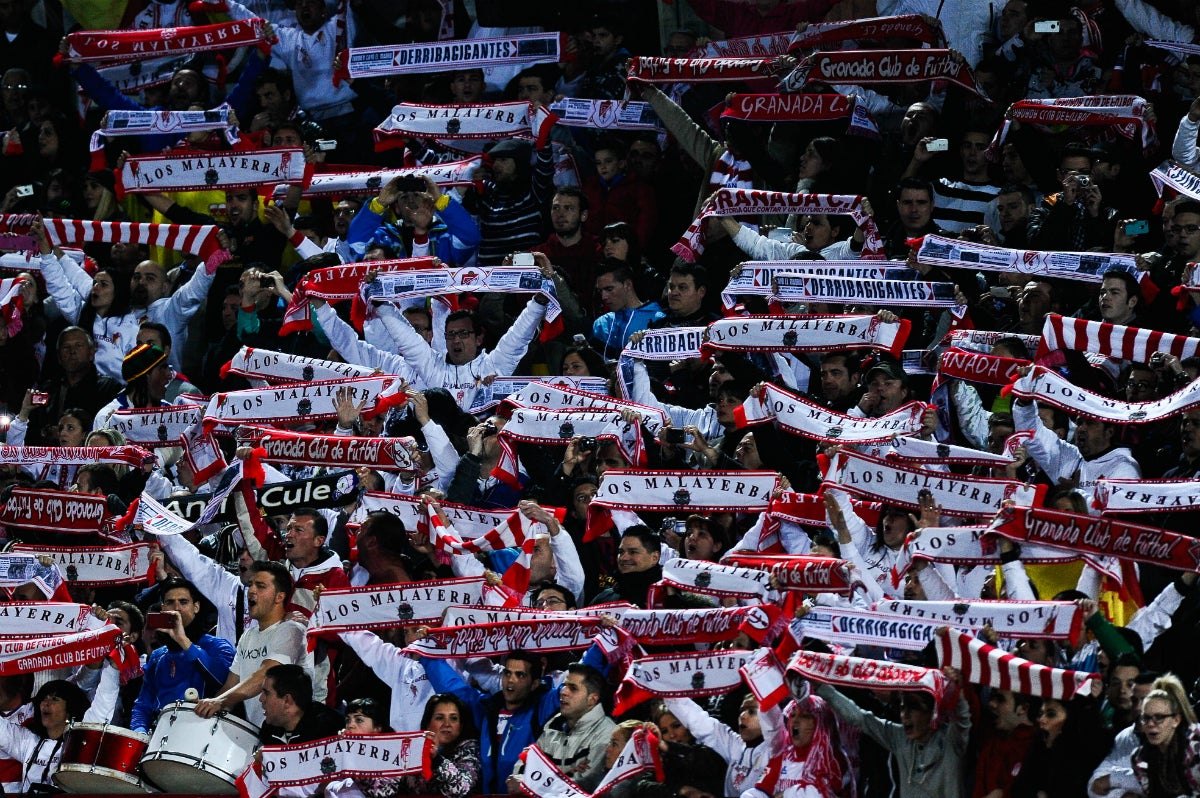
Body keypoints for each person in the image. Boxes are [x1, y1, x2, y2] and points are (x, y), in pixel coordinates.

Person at [194, 561, 310, 728]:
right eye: (251, 585)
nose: (251, 591)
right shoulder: (248, 636)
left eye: (261, 586)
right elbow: (230, 686)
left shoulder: (292, 630)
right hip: (258, 734)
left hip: (294, 737)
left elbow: (266, 674)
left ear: (280, 597)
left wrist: (219, 701)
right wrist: (205, 711)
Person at [129, 577, 236, 734]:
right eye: (170, 602)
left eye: (183, 602)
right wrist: (140, 733)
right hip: (161, 737)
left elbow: (222, 682)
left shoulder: (218, 646)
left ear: (196, 607)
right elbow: (143, 704)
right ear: (163, 608)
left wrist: (183, 640)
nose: (176, 608)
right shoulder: (158, 656)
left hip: (204, 736)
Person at [1129, 674, 1200, 797]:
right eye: (1146, 718)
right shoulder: (1139, 758)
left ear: (1176, 720)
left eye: (1159, 717)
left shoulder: (1195, 748)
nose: (1151, 724)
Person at [257, 663, 343, 745]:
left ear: (287, 700)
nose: (261, 699)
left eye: (266, 693)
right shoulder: (269, 729)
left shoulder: (330, 732)